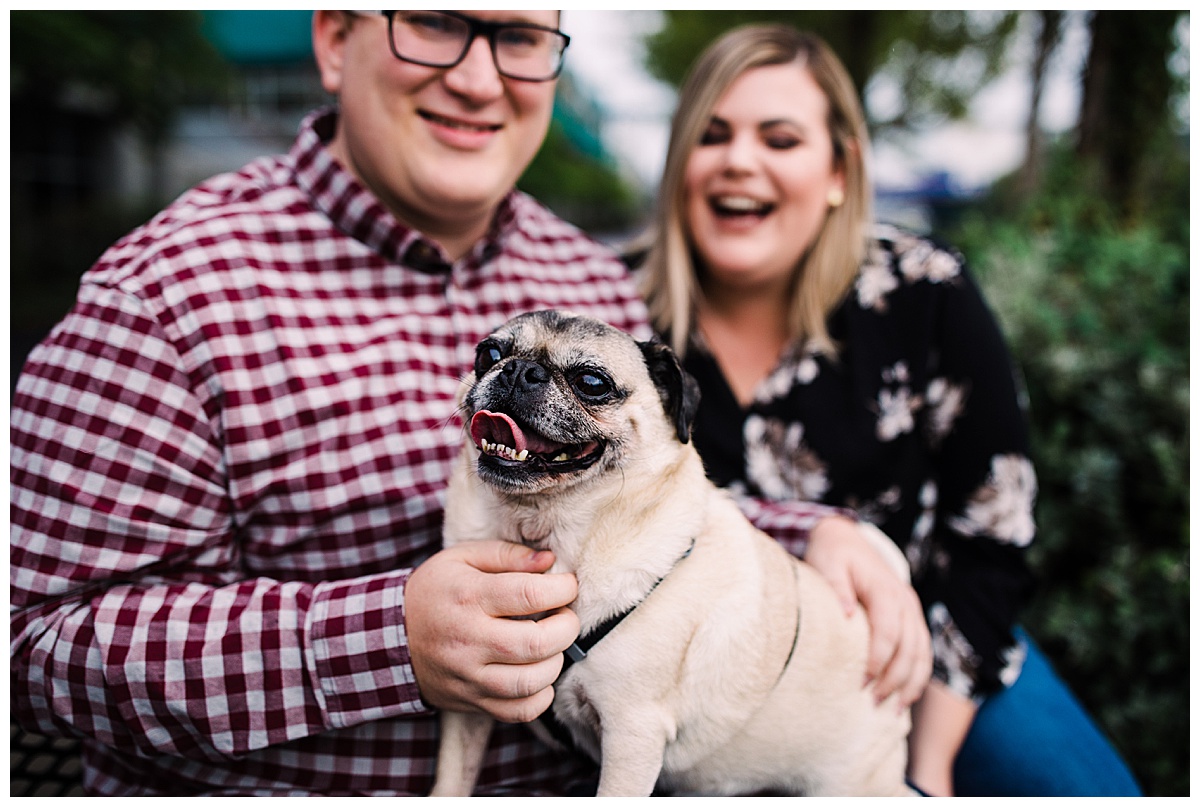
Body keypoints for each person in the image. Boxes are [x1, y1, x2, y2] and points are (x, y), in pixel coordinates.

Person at [10, 11, 926, 796]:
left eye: (521, 37)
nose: (480, 77)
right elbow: (30, 647)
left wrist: (817, 533)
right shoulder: (166, 298)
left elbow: (645, 505)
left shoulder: (586, 272)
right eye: (438, 22)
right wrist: (380, 641)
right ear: (334, 40)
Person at [635, 22, 1143, 797]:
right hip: (726, 689)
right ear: (680, 167)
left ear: (839, 170)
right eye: (712, 135)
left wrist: (928, 767)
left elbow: (992, 534)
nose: (740, 160)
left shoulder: (923, 292)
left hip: (936, 660)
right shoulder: (616, 330)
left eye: (780, 138)